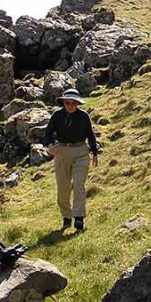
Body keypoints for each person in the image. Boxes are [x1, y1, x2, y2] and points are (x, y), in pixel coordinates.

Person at [42, 89, 99, 231]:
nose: (70, 105)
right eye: (67, 102)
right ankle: (66, 217)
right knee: (63, 187)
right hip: (61, 152)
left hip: (81, 152)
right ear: (63, 102)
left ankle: (79, 218)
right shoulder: (57, 115)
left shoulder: (84, 116)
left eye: (74, 103)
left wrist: (95, 153)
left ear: (78, 103)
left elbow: (90, 135)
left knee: (79, 184)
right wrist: (49, 146)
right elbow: (47, 134)